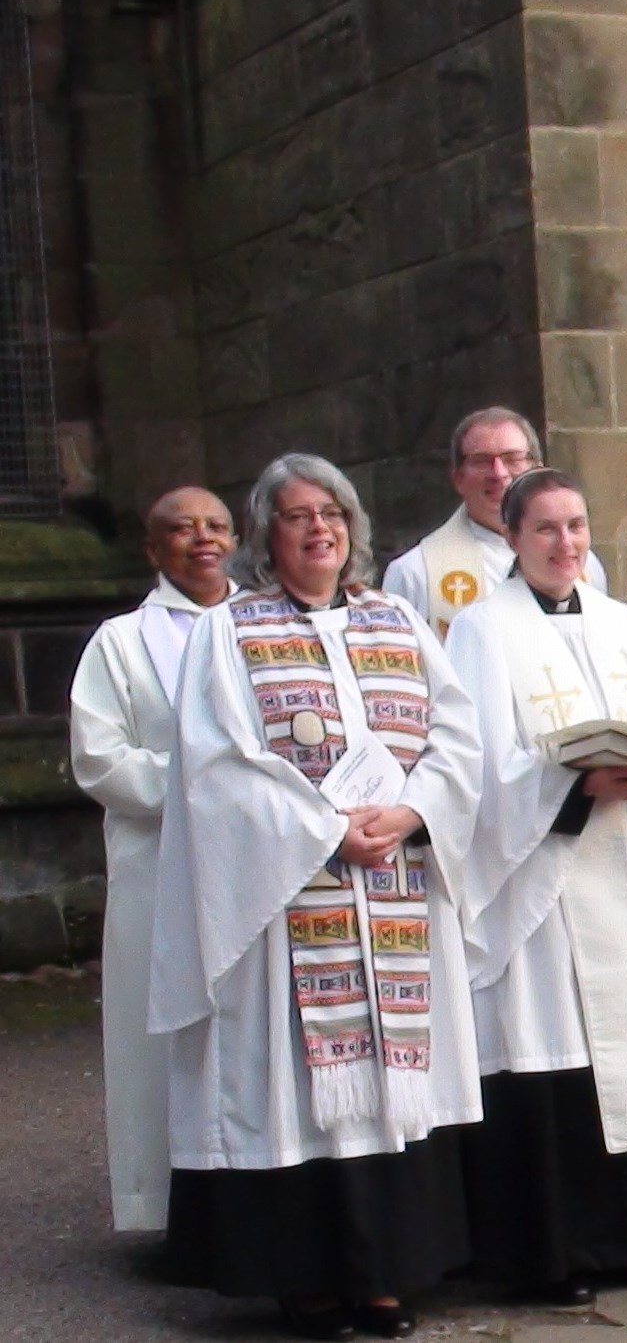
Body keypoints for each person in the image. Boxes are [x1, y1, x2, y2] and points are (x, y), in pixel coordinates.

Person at [149, 454, 483, 1340]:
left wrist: (413, 808)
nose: (318, 528)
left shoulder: (397, 619)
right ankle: (307, 1276)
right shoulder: (232, 630)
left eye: (331, 511)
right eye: (296, 515)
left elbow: (459, 739)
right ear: (267, 534)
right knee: (299, 1091)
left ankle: (385, 1274)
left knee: (389, 1088)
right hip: (291, 899)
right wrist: (323, 828)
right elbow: (216, 765)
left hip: (396, 884)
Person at [445, 469, 627, 1303]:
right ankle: (553, 1253)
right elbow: (475, 764)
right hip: (543, 878)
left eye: (577, 525)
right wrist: (578, 787)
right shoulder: (480, 631)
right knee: (556, 1051)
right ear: (511, 536)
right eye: (545, 528)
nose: (565, 543)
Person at [70, 486, 236, 1233]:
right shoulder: (120, 642)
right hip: (161, 857)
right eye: (180, 528)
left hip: (255, 861)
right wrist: (197, 785)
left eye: (216, 525)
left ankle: (254, 1192)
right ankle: (167, 1205)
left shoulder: (264, 622)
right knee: (162, 1035)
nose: (201, 538)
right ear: (152, 548)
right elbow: (99, 758)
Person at [382, 408, 605, 637]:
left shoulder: (582, 563)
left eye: (512, 459)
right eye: (481, 461)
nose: (499, 474)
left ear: (536, 470)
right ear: (458, 478)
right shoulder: (414, 574)